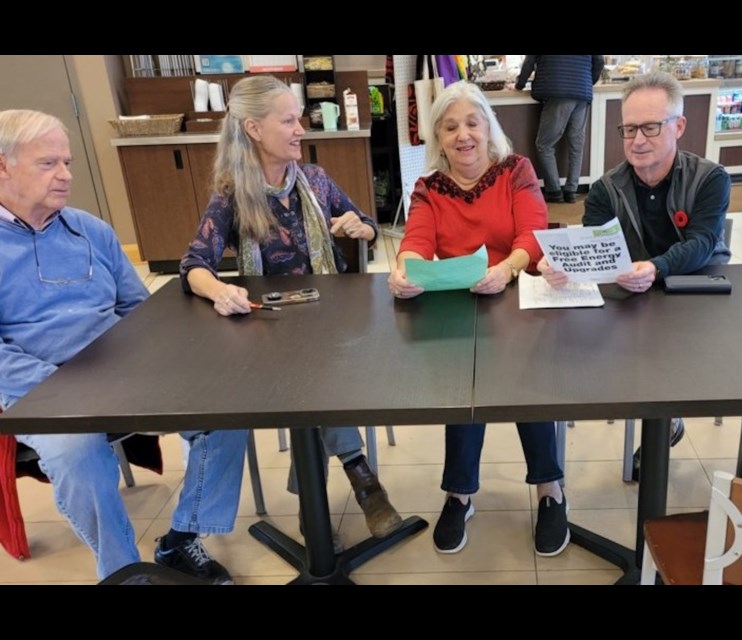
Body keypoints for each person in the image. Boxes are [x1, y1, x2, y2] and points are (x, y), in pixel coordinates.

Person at [0, 108, 247, 583]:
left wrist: (158, 362)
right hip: (39, 389)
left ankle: (180, 539)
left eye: (68, 162)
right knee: (76, 453)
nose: (66, 175)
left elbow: (139, 311)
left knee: (226, 412)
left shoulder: (90, 231)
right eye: (48, 163)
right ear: (4, 166)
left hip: (120, 374)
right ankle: (124, 570)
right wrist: (60, 387)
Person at [179, 76, 402, 547]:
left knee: (318, 377)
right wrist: (218, 290)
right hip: (272, 328)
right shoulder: (231, 192)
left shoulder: (316, 181)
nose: (301, 129)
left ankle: (314, 507)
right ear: (254, 129)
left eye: (298, 118)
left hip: (334, 320)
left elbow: (365, 222)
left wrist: (358, 229)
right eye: (289, 120)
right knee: (314, 381)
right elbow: (194, 264)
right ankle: (360, 474)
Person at [536, 72, 742, 482]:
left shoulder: (710, 178)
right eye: (629, 129)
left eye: (651, 127)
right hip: (636, 303)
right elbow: (591, 244)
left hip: (701, 295)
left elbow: (705, 242)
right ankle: (663, 424)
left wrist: (656, 266)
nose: (638, 140)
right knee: (573, 349)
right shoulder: (605, 189)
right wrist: (564, 265)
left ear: (679, 126)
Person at [387, 81, 569, 557]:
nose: (462, 135)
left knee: (522, 380)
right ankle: (459, 493)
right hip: (458, 304)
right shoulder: (429, 186)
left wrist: (506, 269)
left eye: (472, 123)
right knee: (463, 386)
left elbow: (533, 232)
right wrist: (404, 268)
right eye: (450, 127)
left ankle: (550, 489)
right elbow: (417, 239)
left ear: (488, 127)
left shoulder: (516, 171)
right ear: (438, 138)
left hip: (515, 295)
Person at [514, 55, 604, 203]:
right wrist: (587, 80)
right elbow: (599, 62)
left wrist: (520, 84)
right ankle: (571, 190)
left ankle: (554, 190)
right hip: (582, 92)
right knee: (576, 146)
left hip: (557, 90)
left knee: (544, 144)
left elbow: (529, 61)